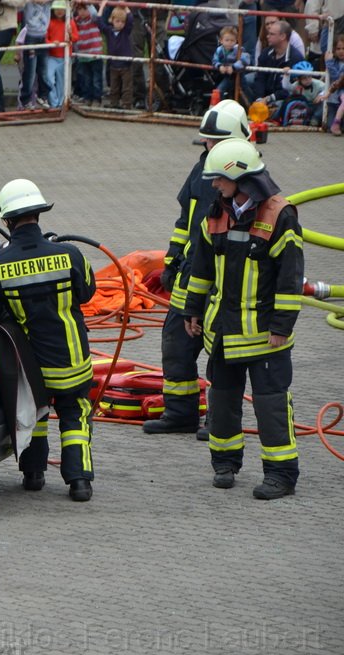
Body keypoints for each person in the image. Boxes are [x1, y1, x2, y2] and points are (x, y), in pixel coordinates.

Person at [183, 137, 303, 500]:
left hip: (265, 336)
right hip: (222, 333)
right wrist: (193, 309)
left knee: (270, 406)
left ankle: (281, 475)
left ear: (240, 176)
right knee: (221, 403)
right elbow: (202, 268)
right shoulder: (216, 212)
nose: (215, 184)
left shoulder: (279, 216)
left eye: (219, 178)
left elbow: (290, 277)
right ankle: (224, 463)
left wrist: (282, 326)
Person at [0, 179, 95, 502]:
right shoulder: (70, 254)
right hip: (72, 361)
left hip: (32, 368)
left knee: (37, 415)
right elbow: (87, 291)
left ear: (6, 221)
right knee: (75, 416)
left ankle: (33, 475)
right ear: (39, 214)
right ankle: (80, 482)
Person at [145, 99, 252, 437]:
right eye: (207, 141)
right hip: (190, 272)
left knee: (220, 348)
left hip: (224, 278)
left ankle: (217, 421)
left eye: (216, 141)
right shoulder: (201, 169)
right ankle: (180, 414)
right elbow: (185, 219)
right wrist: (172, 258)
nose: (209, 146)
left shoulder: (249, 179)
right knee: (176, 343)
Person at [245, 19, 305, 111]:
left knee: (280, 106)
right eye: (268, 33)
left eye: (272, 34)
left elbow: (291, 89)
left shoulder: (296, 58)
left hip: (282, 98)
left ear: (282, 36)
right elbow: (260, 78)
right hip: (265, 95)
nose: (267, 36)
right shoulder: (266, 53)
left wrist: (269, 98)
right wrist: (259, 98)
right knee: (245, 80)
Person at [97, 0, 133, 109]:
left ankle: (127, 104)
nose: (120, 24)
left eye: (122, 22)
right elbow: (99, 22)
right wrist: (102, 7)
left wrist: (125, 6)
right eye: (117, 21)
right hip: (113, 64)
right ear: (112, 20)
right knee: (114, 86)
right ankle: (114, 103)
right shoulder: (108, 31)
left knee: (127, 86)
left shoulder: (125, 31)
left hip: (125, 64)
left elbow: (130, 19)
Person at [43, 0, 77, 110]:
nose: (59, 11)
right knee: (49, 78)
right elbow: (45, 38)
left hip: (65, 57)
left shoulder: (70, 22)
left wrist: (70, 34)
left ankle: (61, 103)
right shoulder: (50, 22)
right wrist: (52, 43)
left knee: (62, 82)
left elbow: (76, 37)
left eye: (61, 9)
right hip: (52, 57)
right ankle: (53, 102)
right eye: (57, 9)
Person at [19, 0, 52, 110]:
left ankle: (43, 96)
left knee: (43, 69)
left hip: (43, 37)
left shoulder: (48, 3)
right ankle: (26, 100)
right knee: (30, 71)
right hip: (30, 37)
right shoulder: (28, 3)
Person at [72, 2, 103, 107]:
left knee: (96, 79)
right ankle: (87, 97)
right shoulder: (77, 21)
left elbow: (94, 12)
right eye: (79, 10)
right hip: (83, 54)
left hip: (95, 53)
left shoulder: (93, 19)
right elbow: (70, 18)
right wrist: (73, 5)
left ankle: (97, 98)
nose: (82, 12)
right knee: (86, 78)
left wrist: (87, 3)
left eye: (84, 9)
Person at [212, 25, 251, 102]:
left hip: (238, 76)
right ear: (221, 40)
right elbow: (214, 60)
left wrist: (233, 67)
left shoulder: (239, 49)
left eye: (232, 40)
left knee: (246, 92)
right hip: (226, 76)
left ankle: (252, 105)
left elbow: (245, 60)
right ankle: (220, 108)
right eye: (227, 40)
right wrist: (219, 66)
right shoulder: (219, 50)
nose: (229, 43)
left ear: (236, 40)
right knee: (219, 91)